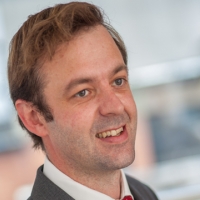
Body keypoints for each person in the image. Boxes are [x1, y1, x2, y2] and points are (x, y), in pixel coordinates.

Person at [8, 2, 158, 200]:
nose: (115, 106)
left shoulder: (145, 194)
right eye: (83, 92)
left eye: (118, 81)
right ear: (34, 118)